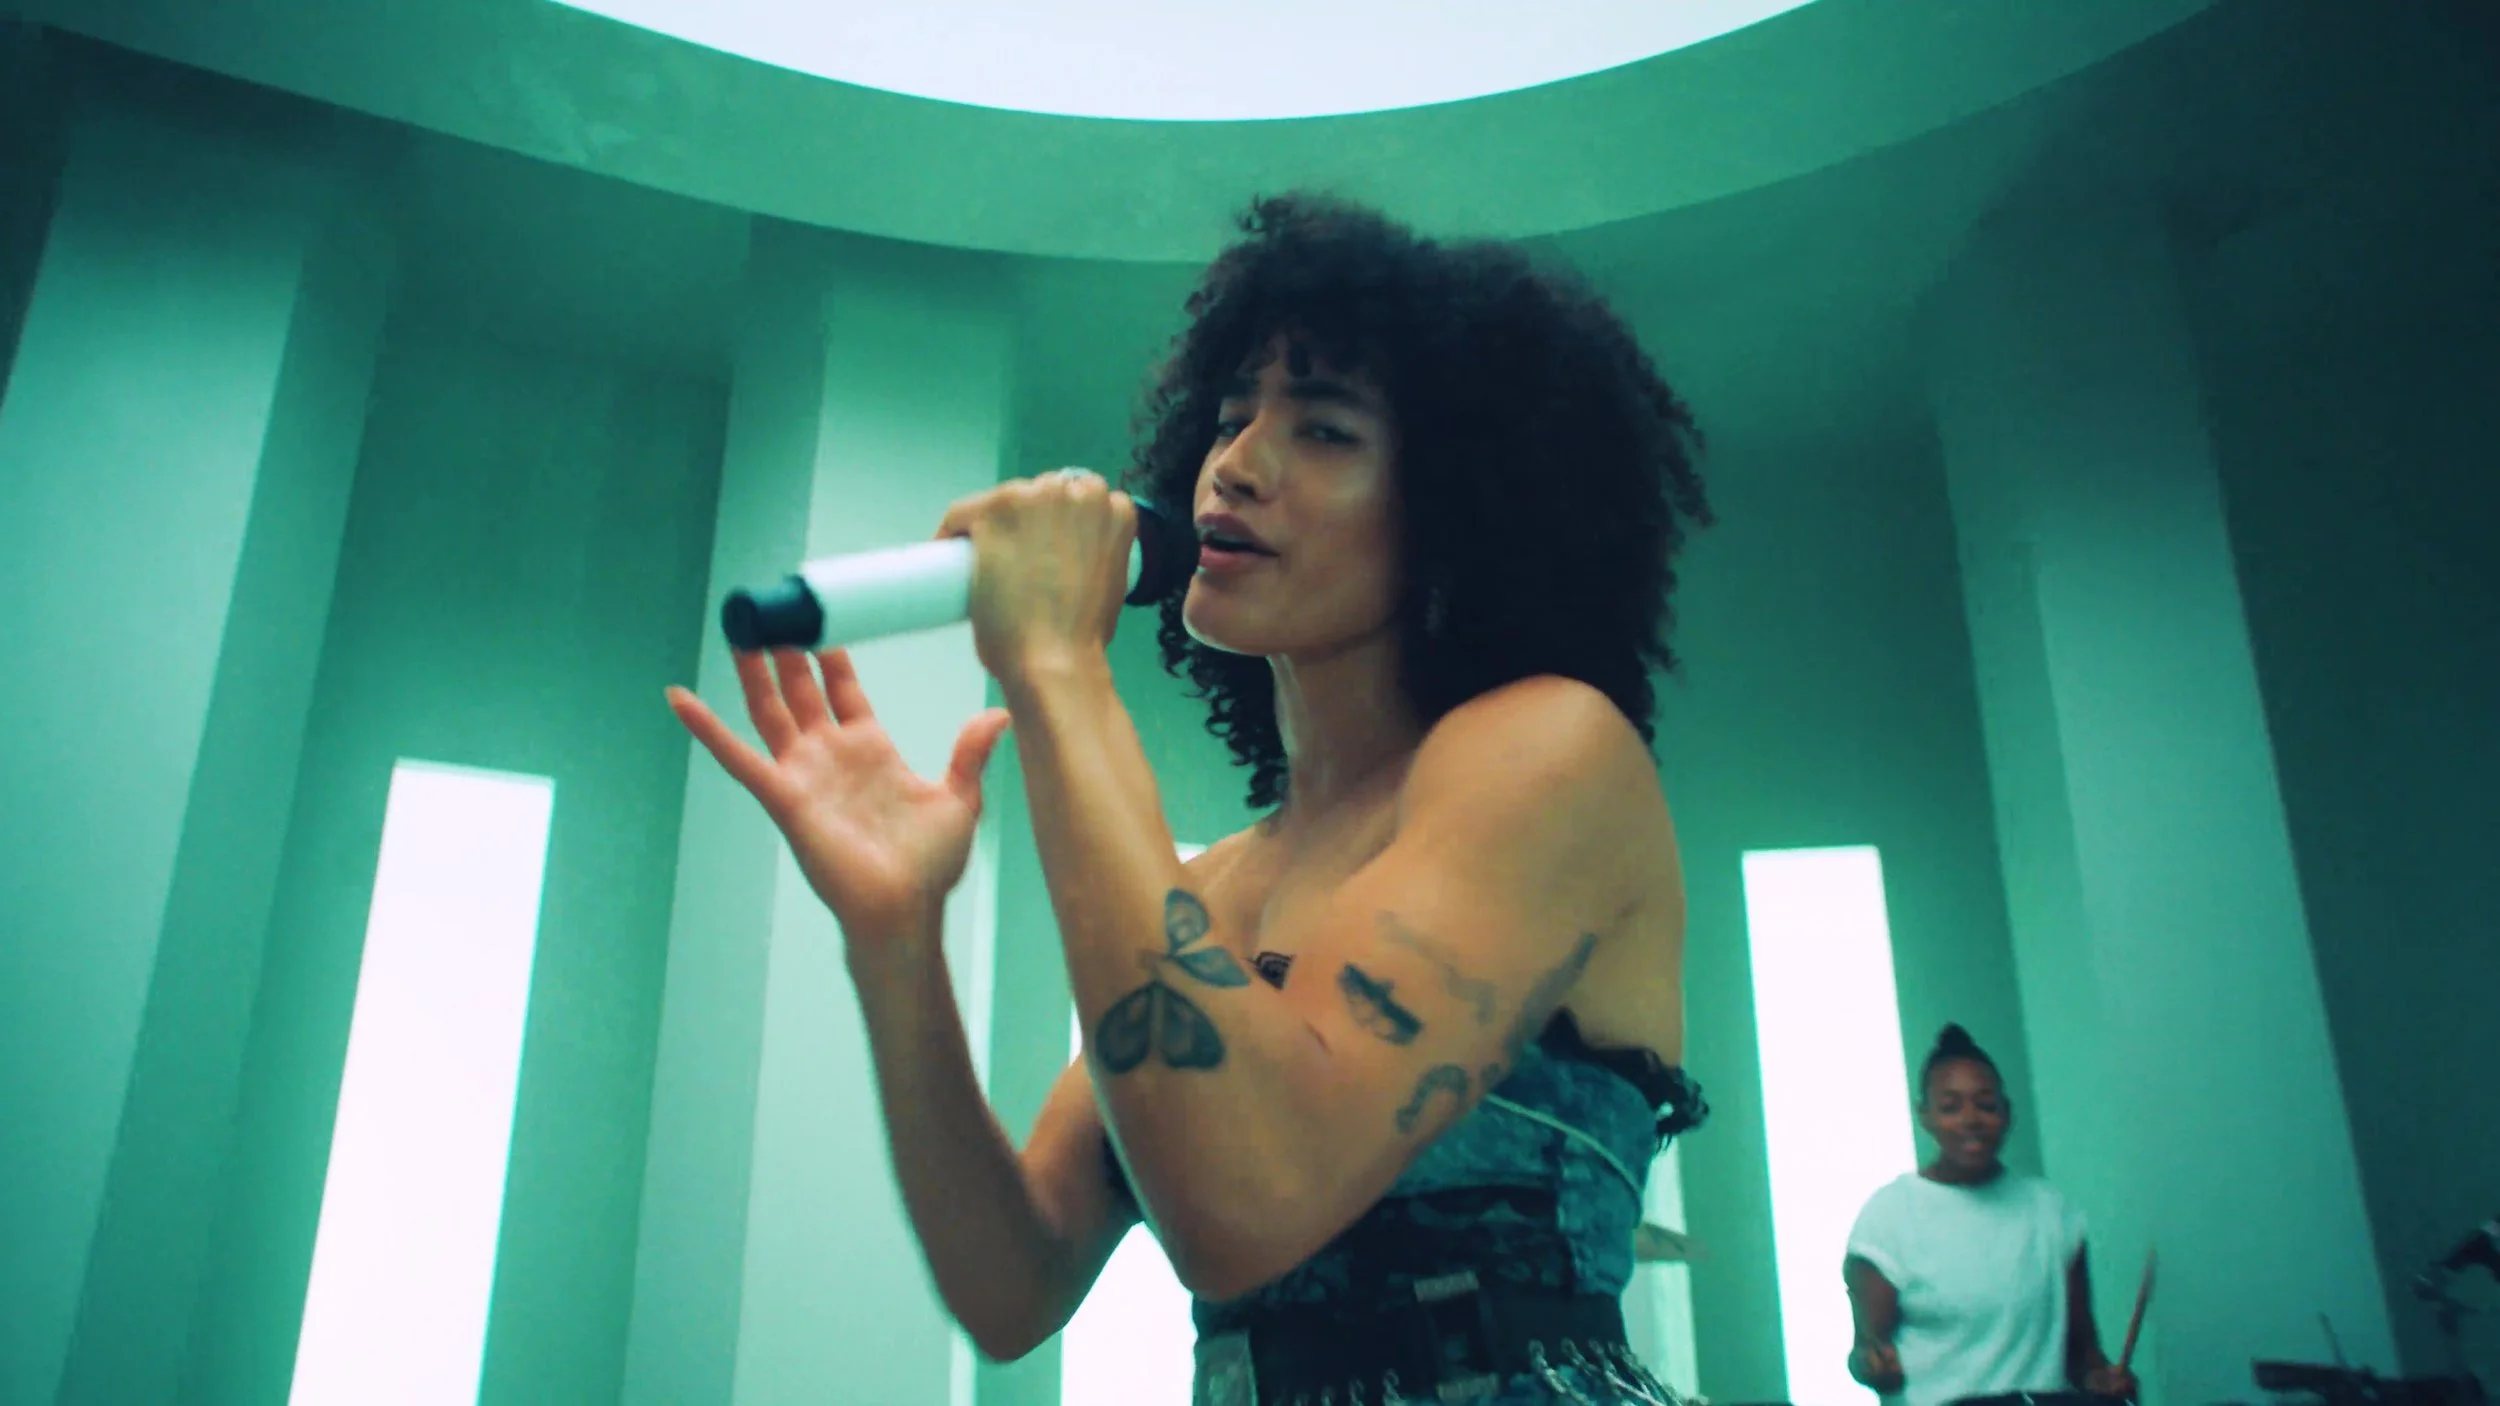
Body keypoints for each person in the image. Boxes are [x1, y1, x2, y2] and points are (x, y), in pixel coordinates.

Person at [669, 194, 1714, 1405]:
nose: (1237, 464)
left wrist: (1057, 664)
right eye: (1230, 417)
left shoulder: (1553, 748)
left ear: (1462, 505)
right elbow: (1012, 1283)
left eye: (1323, 429)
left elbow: (1246, 1201)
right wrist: (896, 937)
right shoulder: (1214, 883)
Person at [1843, 1025, 2140, 1406]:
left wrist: (2104, 1379)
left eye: (1985, 1105)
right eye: (1950, 1107)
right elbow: (1867, 1358)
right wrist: (1873, 1365)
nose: (1971, 1120)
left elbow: (2082, 1356)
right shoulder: (1888, 1216)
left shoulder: (2051, 1212)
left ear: (2007, 1114)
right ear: (1924, 1116)